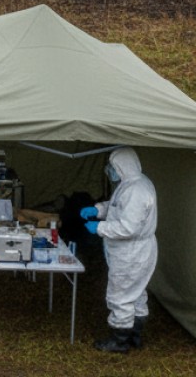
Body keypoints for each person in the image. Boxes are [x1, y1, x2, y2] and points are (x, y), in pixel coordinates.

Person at [81, 146, 158, 353]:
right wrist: (98, 210)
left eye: (112, 165)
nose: (109, 169)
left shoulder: (136, 190)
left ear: (121, 165)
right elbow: (116, 206)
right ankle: (135, 334)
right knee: (137, 292)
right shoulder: (132, 184)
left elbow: (128, 227)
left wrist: (100, 228)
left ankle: (120, 339)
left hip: (131, 252)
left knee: (121, 294)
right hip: (135, 250)